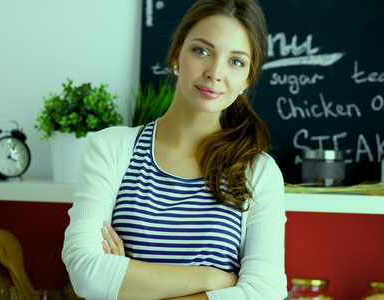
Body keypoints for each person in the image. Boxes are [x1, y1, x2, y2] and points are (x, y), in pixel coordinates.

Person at [61, 0, 287, 299]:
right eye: (202, 51)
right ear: (176, 56)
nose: (215, 72)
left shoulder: (258, 172)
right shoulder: (110, 149)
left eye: (236, 61)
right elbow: (86, 272)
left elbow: (266, 291)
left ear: (247, 79)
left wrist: (125, 280)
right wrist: (216, 278)